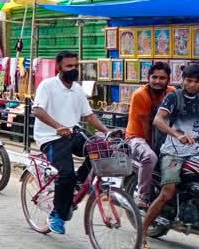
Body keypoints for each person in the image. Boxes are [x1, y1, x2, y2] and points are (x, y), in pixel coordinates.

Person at [32, 50, 109, 235]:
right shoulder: (47, 85)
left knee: (100, 148)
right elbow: (37, 110)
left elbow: (89, 115)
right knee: (65, 173)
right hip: (50, 138)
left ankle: (79, 180)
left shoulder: (77, 89)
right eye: (69, 66)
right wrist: (58, 126)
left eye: (76, 66)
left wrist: (108, 132)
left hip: (73, 133)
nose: (73, 69)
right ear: (59, 68)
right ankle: (57, 214)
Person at [141, 63, 199, 249]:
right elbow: (158, 120)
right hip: (173, 151)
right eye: (189, 80)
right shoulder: (174, 97)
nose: (192, 85)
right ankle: (141, 234)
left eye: (197, 82)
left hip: (195, 152)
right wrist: (178, 135)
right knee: (167, 193)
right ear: (182, 80)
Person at [125, 62, 173, 209]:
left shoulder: (171, 93)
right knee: (150, 156)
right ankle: (143, 196)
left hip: (162, 136)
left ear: (168, 80)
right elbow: (147, 127)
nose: (158, 81)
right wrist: (154, 149)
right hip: (137, 137)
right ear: (148, 77)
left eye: (162, 78)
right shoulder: (140, 95)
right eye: (154, 77)